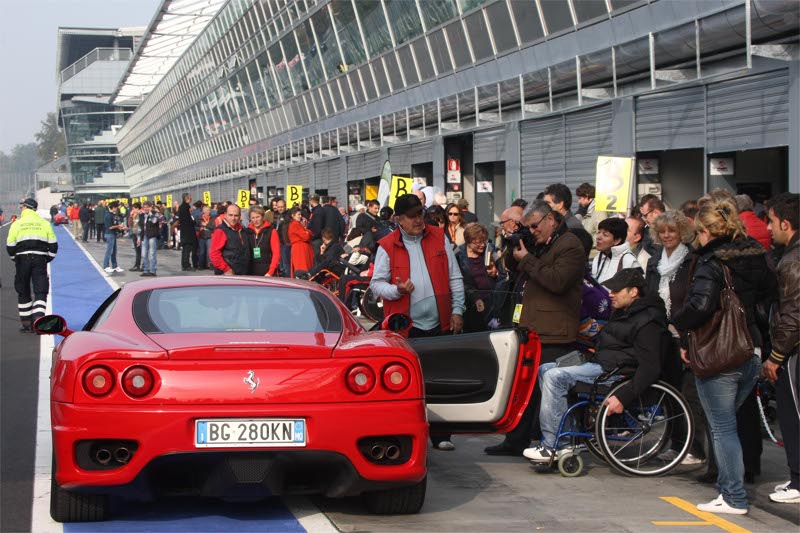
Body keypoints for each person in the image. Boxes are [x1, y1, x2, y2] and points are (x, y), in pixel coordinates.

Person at [671, 195, 777, 515]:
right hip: (752, 348)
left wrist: (678, 323)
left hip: (720, 351)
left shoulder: (711, 261)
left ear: (706, 230)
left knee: (722, 427)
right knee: (731, 423)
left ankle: (733, 496)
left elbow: (700, 306)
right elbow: (770, 297)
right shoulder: (757, 254)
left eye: (699, 232)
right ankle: (728, 491)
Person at [524, 268, 668, 462]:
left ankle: (554, 446)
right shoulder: (624, 313)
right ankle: (567, 437)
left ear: (633, 292)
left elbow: (650, 367)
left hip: (615, 373)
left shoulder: (647, 321)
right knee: (545, 369)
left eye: (617, 290)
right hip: (603, 363)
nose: (611, 294)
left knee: (554, 376)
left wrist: (623, 397)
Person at [484, 200, 585, 456]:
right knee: (523, 389)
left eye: (535, 226)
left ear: (550, 219)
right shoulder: (540, 244)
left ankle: (553, 444)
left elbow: (557, 281)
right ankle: (516, 441)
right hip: (532, 328)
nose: (533, 231)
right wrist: (515, 247)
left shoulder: (570, 245)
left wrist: (528, 258)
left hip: (555, 332)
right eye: (528, 227)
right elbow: (514, 266)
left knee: (548, 393)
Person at [370, 193, 465, 451]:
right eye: (412, 216)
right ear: (399, 219)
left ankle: (442, 434)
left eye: (421, 214)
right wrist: (397, 291)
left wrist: (457, 310)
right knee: (407, 383)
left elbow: (454, 277)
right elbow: (376, 285)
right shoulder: (387, 245)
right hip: (405, 326)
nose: (419, 220)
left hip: (439, 322)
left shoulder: (438, 236)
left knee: (441, 377)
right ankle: (408, 431)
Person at [645, 211, 705, 465]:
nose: (667, 235)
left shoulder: (691, 259)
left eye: (672, 230)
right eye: (663, 231)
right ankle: (676, 444)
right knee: (669, 391)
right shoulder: (655, 260)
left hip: (685, 331)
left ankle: (696, 448)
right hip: (662, 331)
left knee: (689, 394)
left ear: (682, 232)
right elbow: (650, 293)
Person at [763, 192, 800, 504]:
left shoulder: (791, 261)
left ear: (786, 223)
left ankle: (799, 482)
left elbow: (793, 314)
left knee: (793, 416)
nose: (769, 228)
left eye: (772, 221)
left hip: (794, 353)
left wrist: (776, 356)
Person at [6, 198, 58, 332]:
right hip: (39, 260)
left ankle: (26, 324)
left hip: (22, 260)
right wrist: (47, 259)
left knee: (23, 290)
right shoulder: (44, 223)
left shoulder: (17, 224)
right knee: (40, 290)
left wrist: (15, 258)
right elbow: (53, 246)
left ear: (25, 207)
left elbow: (10, 246)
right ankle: (39, 322)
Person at [456, 223, 503, 333]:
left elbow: (504, 274)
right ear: (468, 242)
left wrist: (496, 273)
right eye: (478, 242)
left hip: (492, 302)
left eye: (484, 241)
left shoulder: (490, 250)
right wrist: (475, 298)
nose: (482, 245)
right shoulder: (458, 254)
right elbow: (459, 281)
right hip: (470, 304)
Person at [543, 183, 593, 257]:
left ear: (560, 204)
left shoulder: (572, 227)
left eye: (548, 203)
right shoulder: (559, 223)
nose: (544, 207)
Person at [590, 218, 640, 283]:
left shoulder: (629, 261)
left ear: (617, 240)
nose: (598, 237)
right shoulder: (599, 256)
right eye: (599, 232)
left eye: (605, 235)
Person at [210, 204, 251, 275]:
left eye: (236, 215)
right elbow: (214, 254)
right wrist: (226, 269)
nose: (233, 218)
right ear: (225, 215)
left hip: (242, 272)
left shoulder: (242, 230)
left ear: (240, 216)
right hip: (228, 273)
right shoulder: (221, 231)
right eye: (230, 215)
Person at [246, 205, 280, 276]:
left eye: (258, 217)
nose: (255, 220)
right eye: (253, 218)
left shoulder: (271, 231)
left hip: (267, 270)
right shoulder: (247, 232)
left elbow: (276, 254)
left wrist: (270, 272)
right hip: (251, 271)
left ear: (262, 217)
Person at [575, 182, 607, 249]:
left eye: (579, 198)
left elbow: (603, 235)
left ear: (587, 196)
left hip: (595, 252)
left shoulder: (598, 212)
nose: (579, 202)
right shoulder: (585, 211)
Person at [139, 201, 165, 277]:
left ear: (151, 207)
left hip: (152, 235)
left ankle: (153, 270)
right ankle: (146, 270)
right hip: (144, 235)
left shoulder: (155, 214)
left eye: (147, 207)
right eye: (144, 207)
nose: (146, 209)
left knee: (152, 253)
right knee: (144, 254)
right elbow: (140, 226)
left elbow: (154, 221)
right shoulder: (141, 215)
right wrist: (139, 237)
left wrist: (150, 214)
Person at [286, 206, 314, 276]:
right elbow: (306, 236)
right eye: (298, 214)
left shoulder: (296, 224)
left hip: (301, 249)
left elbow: (307, 234)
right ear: (293, 215)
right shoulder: (295, 224)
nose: (300, 216)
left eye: (300, 214)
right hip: (300, 250)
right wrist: (307, 232)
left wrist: (307, 232)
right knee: (302, 269)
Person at [102, 201, 126, 274]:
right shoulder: (108, 215)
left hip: (113, 234)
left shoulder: (113, 215)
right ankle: (106, 266)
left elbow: (114, 225)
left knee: (114, 251)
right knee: (109, 251)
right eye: (116, 207)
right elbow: (110, 227)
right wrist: (119, 226)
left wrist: (120, 228)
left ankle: (115, 266)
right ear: (114, 207)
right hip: (110, 234)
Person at [178, 193, 198, 271]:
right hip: (188, 231)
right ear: (187, 199)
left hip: (184, 230)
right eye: (190, 198)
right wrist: (194, 222)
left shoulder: (181, 207)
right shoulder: (186, 207)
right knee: (187, 248)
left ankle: (184, 264)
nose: (191, 199)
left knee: (185, 249)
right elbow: (188, 220)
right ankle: (186, 265)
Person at [196, 205, 215, 270]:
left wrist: (206, 225)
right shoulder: (199, 218)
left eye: (209, 210)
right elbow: (195, 227)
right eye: (207, 210)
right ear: (203, 211)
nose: (208, 212)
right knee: (202, 251)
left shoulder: (212, 218)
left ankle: (210, 264)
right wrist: (199, 228)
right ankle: (201, 265)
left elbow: (213, 227)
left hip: (209, 236)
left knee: (209, 252)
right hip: (202, 236)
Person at [128, 202, 142, 271]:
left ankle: (141, 265)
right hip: (134, 232)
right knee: (137, 251)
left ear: (137, 208)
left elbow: (140, 225)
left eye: (133, 209)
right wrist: (131, 216)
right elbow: (130, 224)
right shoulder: (134, 215)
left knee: (140, 250)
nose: (132, 210)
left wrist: (139, 235)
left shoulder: (140, 215)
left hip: (138, 234)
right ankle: (137, 264)